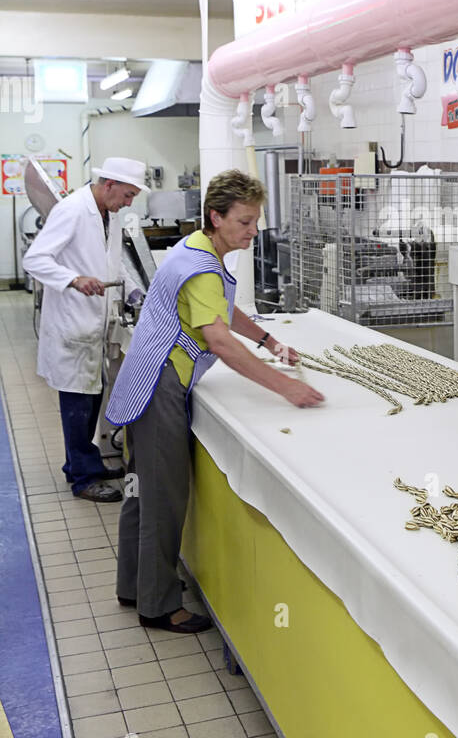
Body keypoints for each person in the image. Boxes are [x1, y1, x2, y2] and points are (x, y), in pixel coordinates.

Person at [106, 169, 325, 634]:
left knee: (141, 491)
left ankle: (134, 586)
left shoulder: (195, 248)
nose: (253, 231)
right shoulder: (202, 267)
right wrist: (285, 386)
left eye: (256, 220)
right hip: (159, 386)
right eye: (245, 222)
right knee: (163, 499)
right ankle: (158, 606)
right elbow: (220, 340)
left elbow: (220, 309)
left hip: (142, 377)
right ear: (216, 216)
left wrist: (268, 340)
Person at [22, 157, 147, 503]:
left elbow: (112, 263)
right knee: (77, 405)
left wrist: (135, 293)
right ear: (109, 185)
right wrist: (74, 279)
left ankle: (81, 463)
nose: (129, 203)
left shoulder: (109, 215)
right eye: (127, 195)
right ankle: (83, 479)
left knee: (90, 401)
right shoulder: (73, 210)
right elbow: (35, 259)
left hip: (93, 327)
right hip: (72, 326)